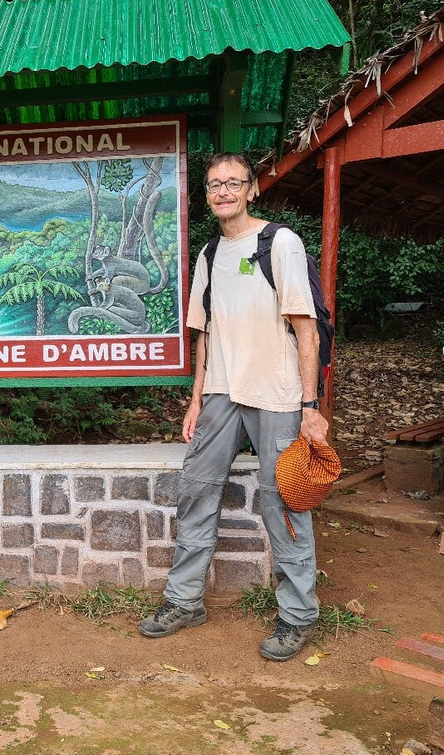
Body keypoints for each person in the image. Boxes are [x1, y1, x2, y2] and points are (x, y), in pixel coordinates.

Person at [138, 153, 329, 661]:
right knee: (196, 490)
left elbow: (305, 330)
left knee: (282, 501)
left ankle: (298, 614)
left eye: (233, 183)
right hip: (223, 392)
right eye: (214, 185)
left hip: (278, 394)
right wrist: (196, 401)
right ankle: (184, 601)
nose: (223, 191)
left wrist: (311, 406)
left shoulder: (279, 243)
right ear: (206, 195)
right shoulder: (208, 253)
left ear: (252, 190)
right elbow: (205, 334)